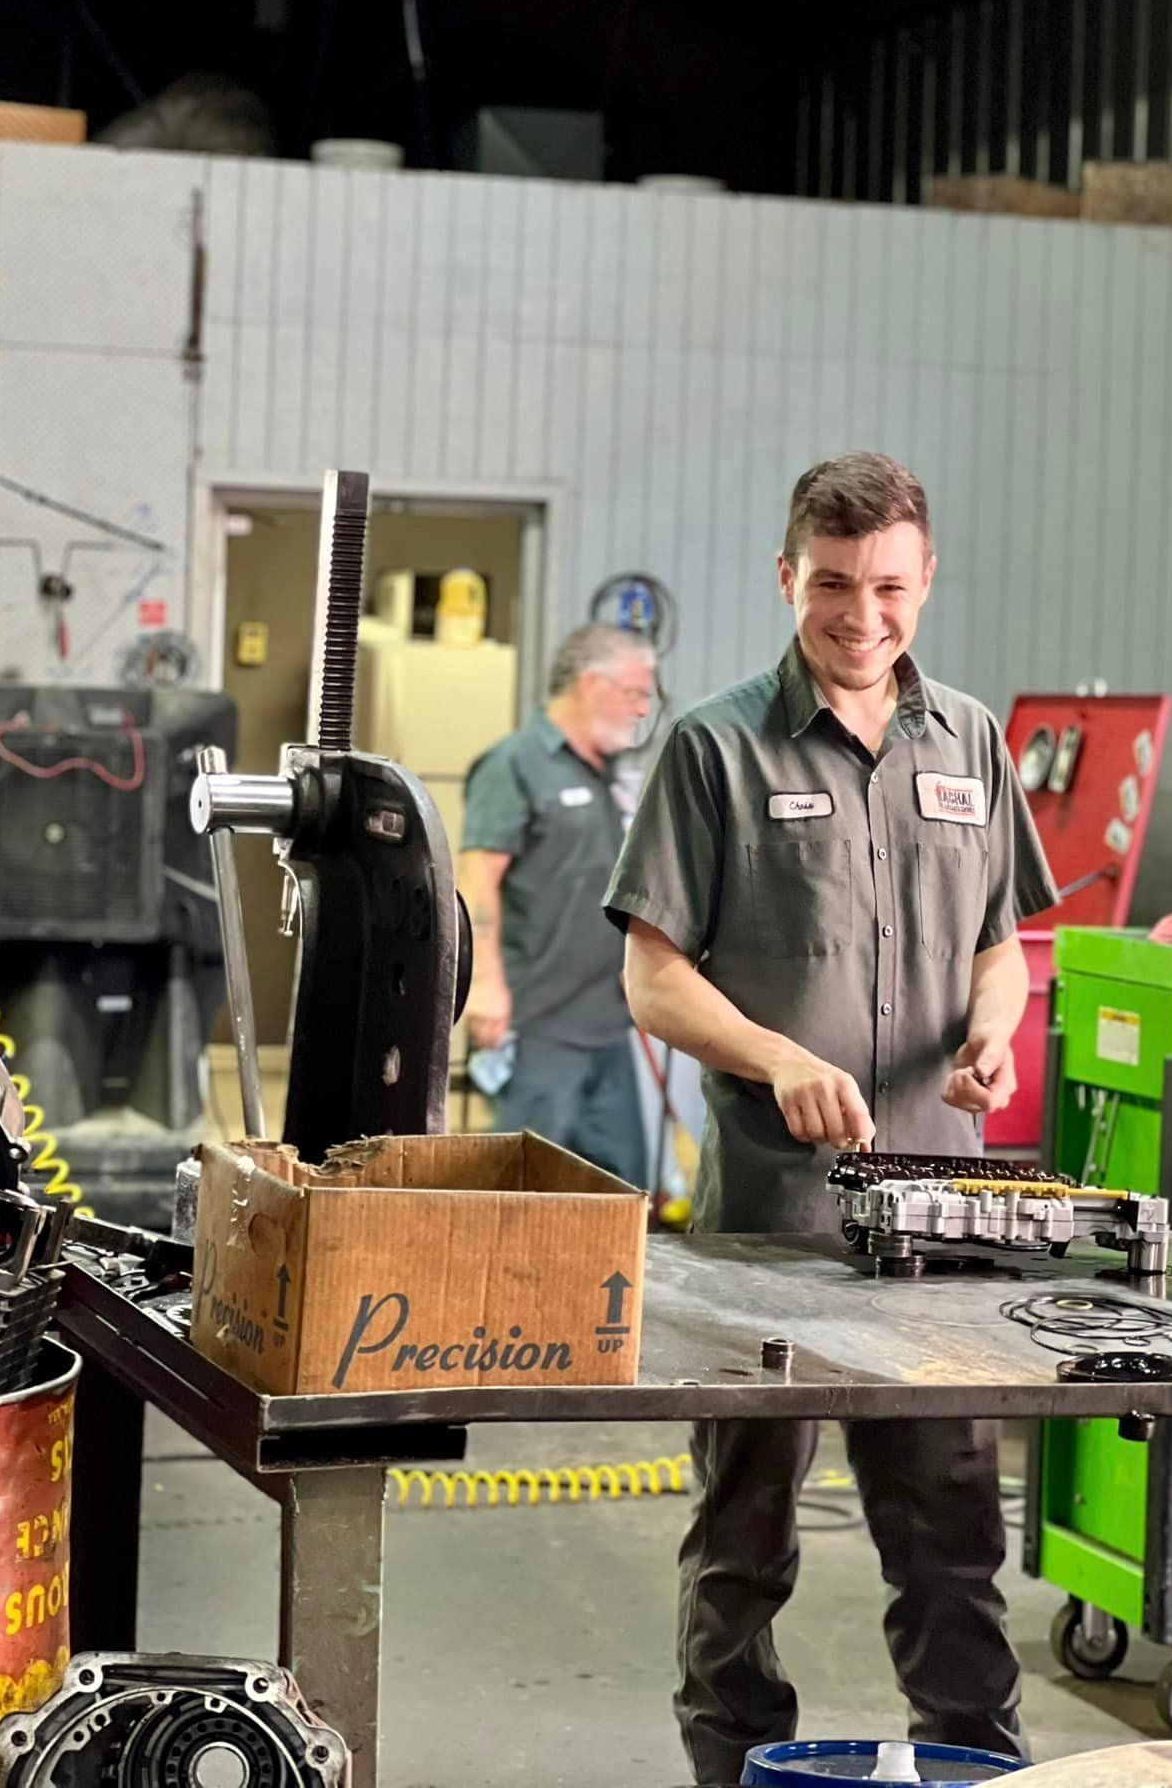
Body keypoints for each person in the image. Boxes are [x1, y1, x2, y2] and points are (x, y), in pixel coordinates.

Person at [603, 451, 1056, 1784]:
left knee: (952, 1548)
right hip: (772, 1227)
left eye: (891, 587)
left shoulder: (971, 741)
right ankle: (732, 1768)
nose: (864, 616)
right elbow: (652, 978)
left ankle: (981, 1768)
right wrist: (776, 1057)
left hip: (940, 1229)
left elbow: (1002, 944)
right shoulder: (715, 747)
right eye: (835, 585)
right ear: (787, 577)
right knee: (742, 1546)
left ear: (928, 579)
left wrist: (994, 1029)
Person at [458, 622, 657, 1187]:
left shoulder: (608, 777)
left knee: (624, 1187)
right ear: (592, 684)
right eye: (634, 693)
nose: (643, 709)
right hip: (539, 1021)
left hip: (609, 1021)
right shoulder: (515, 764)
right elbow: (477, 878)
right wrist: (483, 987)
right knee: (530, 1188)